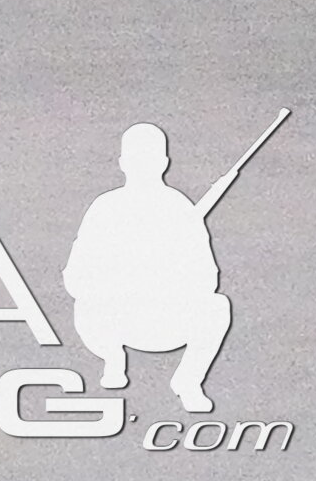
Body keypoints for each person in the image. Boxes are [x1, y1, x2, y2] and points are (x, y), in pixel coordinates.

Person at [69, 123, 235, 416]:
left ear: (164, 164)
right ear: (122, 163)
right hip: (112, 321)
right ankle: (112, 358)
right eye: (136, 159)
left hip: (166, 321)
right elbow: (75, 275)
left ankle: (189, 382)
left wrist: (168, 278)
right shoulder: (105, 207)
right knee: (85, 305)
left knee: (217, 307)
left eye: (148, 159)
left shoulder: (180, 209)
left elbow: (208, 278)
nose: (142, 166)